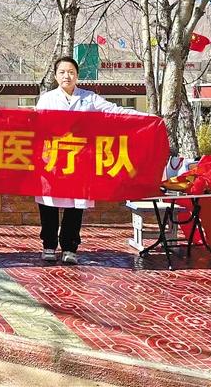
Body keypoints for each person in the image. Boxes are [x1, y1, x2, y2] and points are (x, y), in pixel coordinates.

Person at [35, 56, 140, 265]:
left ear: (77, 75)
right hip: (53, 159)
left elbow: (112, 111)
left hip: (78, 160)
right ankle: (49, 245)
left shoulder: (89, 98)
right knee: (49, 205)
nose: (67, 76)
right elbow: (36, 125)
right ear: (55, 76)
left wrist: (141, 117)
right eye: (62, 72)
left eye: (71, 72)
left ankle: (69, 247)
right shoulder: (47, 99)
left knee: (75, 207)